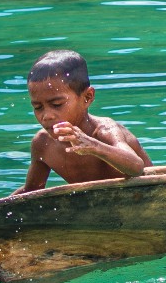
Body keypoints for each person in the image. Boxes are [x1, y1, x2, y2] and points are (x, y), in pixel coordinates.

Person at [14, 49, 150, 193]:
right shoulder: (42, 143)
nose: (46, 116)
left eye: (57, 105)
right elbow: (32, 191)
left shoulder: (104, 131)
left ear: (87, 97)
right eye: (38, 107)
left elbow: (136, 167)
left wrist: (93, 146)